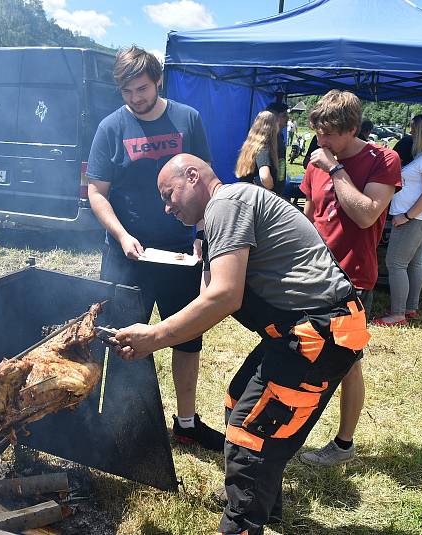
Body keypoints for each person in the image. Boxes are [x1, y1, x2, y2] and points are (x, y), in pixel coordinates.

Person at [112, 153, 369, 534]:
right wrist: (204, 255)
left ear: (194, 177)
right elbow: (209, 297)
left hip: (320, 333)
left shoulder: (226, 204)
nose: (167, 208)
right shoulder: (218, 217)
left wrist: (153, 336)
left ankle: (241, 524)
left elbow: (225, 297)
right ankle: (262, 503)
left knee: (252, 437)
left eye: (170, 195)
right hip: (293, 332)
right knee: (239, 403)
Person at [86, 45, 223, 451]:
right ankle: (120, 422)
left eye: (142, 89)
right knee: (119, 337)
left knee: (187, 339)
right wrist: (121, 235)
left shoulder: (186, 119)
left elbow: (206, 181)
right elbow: (96, 192)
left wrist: (201, 233)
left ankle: (185, 422)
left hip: (181, 253)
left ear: (157, 81)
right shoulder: (111, 127)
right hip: (126, 256)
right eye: (127, 92)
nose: (135, 99)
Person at [298, 90, 401, 467]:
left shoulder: (383, 160)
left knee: (346, 362)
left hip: (353, 279)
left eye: (330, 135)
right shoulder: (317, 162)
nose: (321, 143)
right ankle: (291, 430)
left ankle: (343, 445)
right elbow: (308, 219)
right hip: (312, 276)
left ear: (353, 129)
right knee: (302, 353)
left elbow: (366, 215)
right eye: (318, 134)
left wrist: (335, 170)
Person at [373, 114, 422, 326]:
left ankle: (397, 314)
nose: (411, 133)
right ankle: (409, 307)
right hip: (419, 217)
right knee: (413, 263)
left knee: (395, 263)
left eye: (414, 129)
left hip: (414, 218)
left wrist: (406, 215)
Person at [235, 111, 281, 192]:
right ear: (271, 127)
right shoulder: (263, 148)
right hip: (258, 199)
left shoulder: (250, 146)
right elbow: (265, 176)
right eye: (277, 123)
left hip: (246, 194)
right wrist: (272, 188)